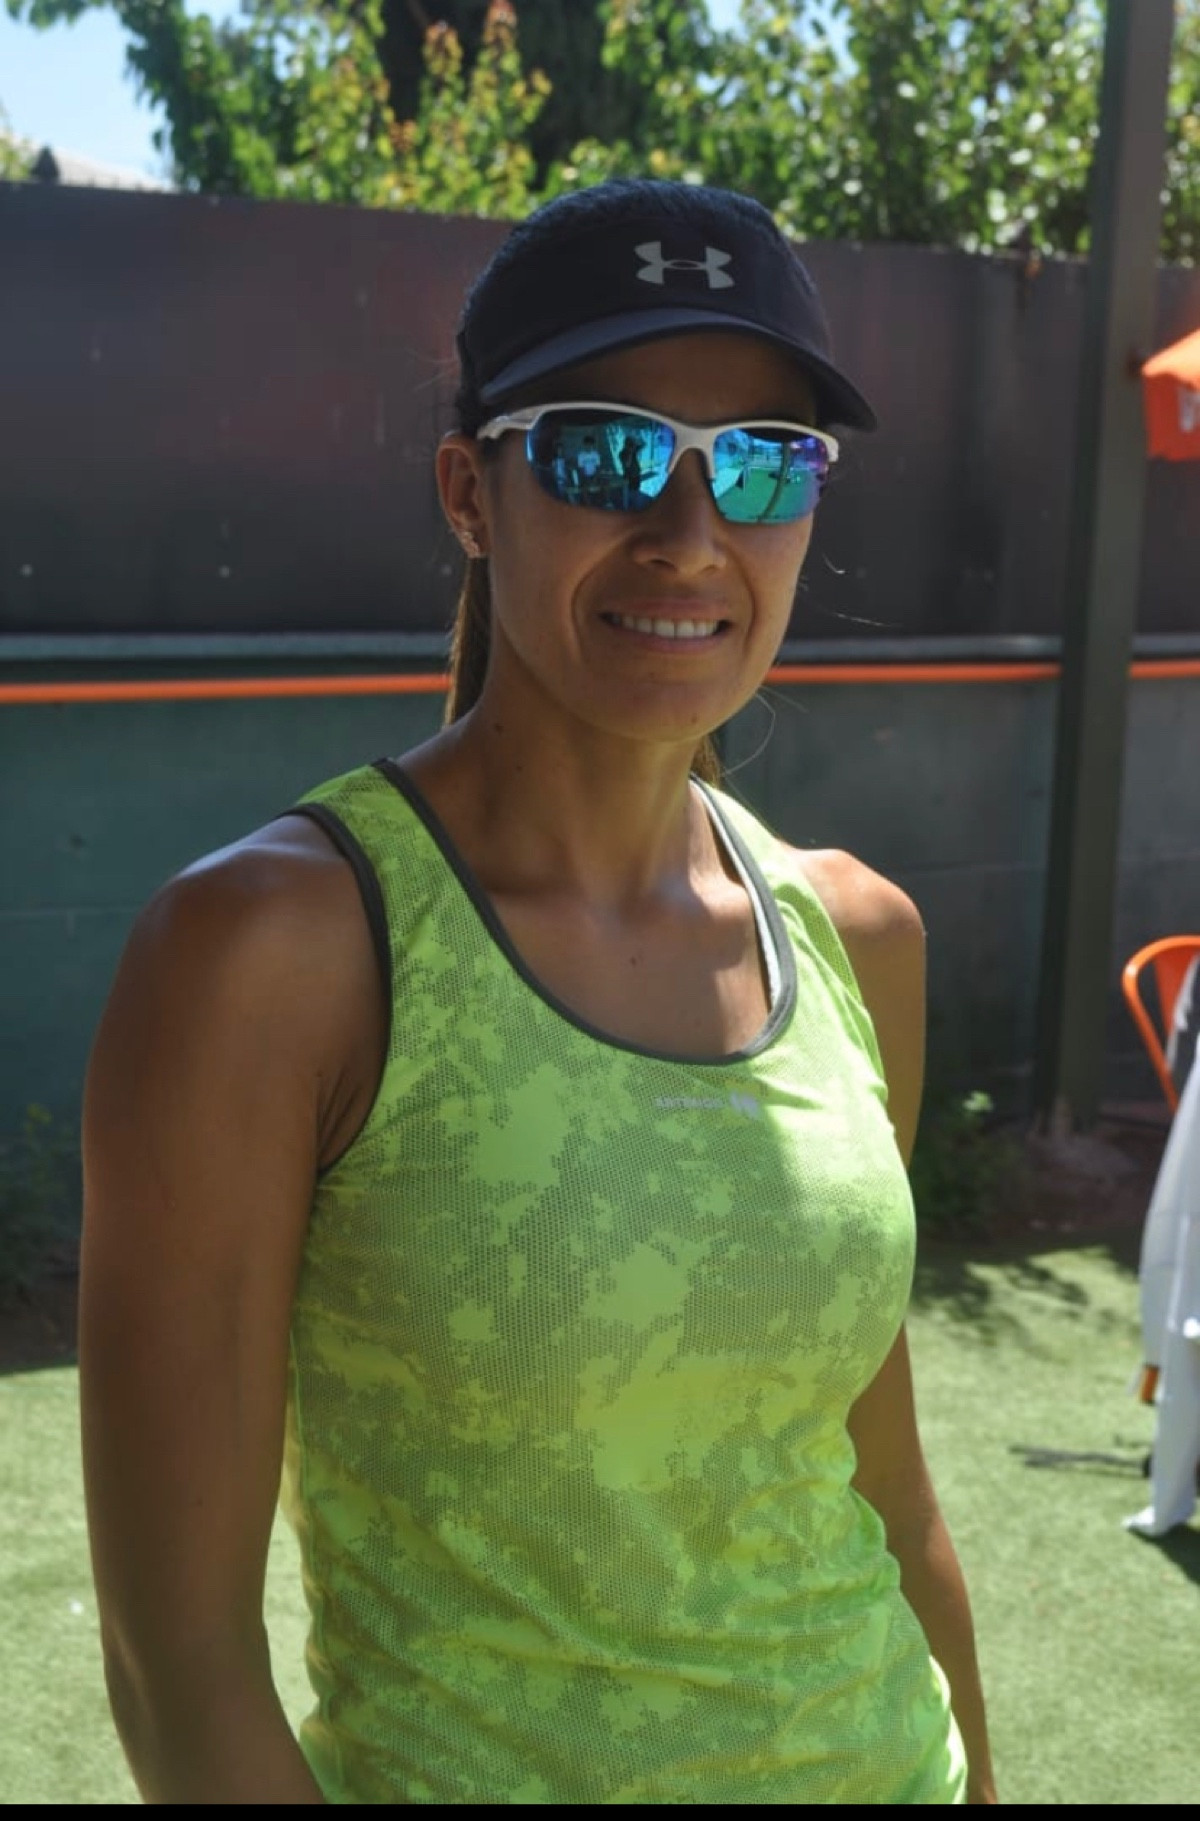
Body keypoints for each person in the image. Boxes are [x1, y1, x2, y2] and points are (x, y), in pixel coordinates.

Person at [79, 177, 997, 1805]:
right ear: (470, 492)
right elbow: (180, 1672)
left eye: (764, 463)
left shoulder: (859, 936)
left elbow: (887, 1496)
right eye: (606, 453)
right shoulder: (268, 958)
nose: (691, 534)